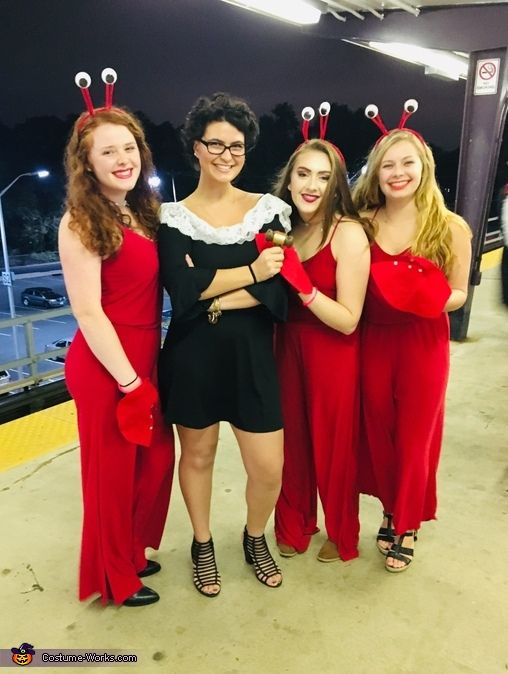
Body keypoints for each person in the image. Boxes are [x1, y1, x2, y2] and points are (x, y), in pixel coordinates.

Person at [158, 92, 289, 596]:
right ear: (196, 147)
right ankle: (202, 542)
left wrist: (211, 291)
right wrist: (251, 272)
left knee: (269, 468)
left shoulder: (269, 210)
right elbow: (178, 289)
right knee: (198, 456)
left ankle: (255, 536)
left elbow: (276, 291)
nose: (226, 155)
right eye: (216, 144)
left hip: (252, 356)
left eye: (237, 147)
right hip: (192, 356)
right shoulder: (171, 217)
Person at [59, 83, 174, 606]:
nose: (122, 158)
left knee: (148, 465)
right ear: (87, 162)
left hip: (144, 357)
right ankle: (113, 578)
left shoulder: (138, 212)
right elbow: (87, 310)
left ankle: (127, 549)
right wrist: (130, 381)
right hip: (109, 366)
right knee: (110, 476)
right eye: (107, 151)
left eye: (129, 147)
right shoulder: (80, 220)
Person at [352, 127, 471, 573]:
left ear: (424, 168)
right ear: (377, 173)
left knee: (417, 437)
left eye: (407, 163)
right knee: (378, 429)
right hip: (373, 339)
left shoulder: (450, 226)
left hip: (422, 341)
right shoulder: (362, 222)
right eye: (388, 165)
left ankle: (408, 522)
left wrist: (428, 295)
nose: (398, 173)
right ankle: (388, 507)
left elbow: (458, 292)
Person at [272, 138, 372, 562]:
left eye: (324, 176)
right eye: (304, 173)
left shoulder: (347, 232)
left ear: (336, 186)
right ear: (290, 180)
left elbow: (349, 319)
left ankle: (341, 532)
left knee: (333, 446)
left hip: (331, 350)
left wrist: (305, 288)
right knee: (289, 442)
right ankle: (295, 523)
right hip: (284, 347)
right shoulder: (284, 228)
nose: (312, 184)